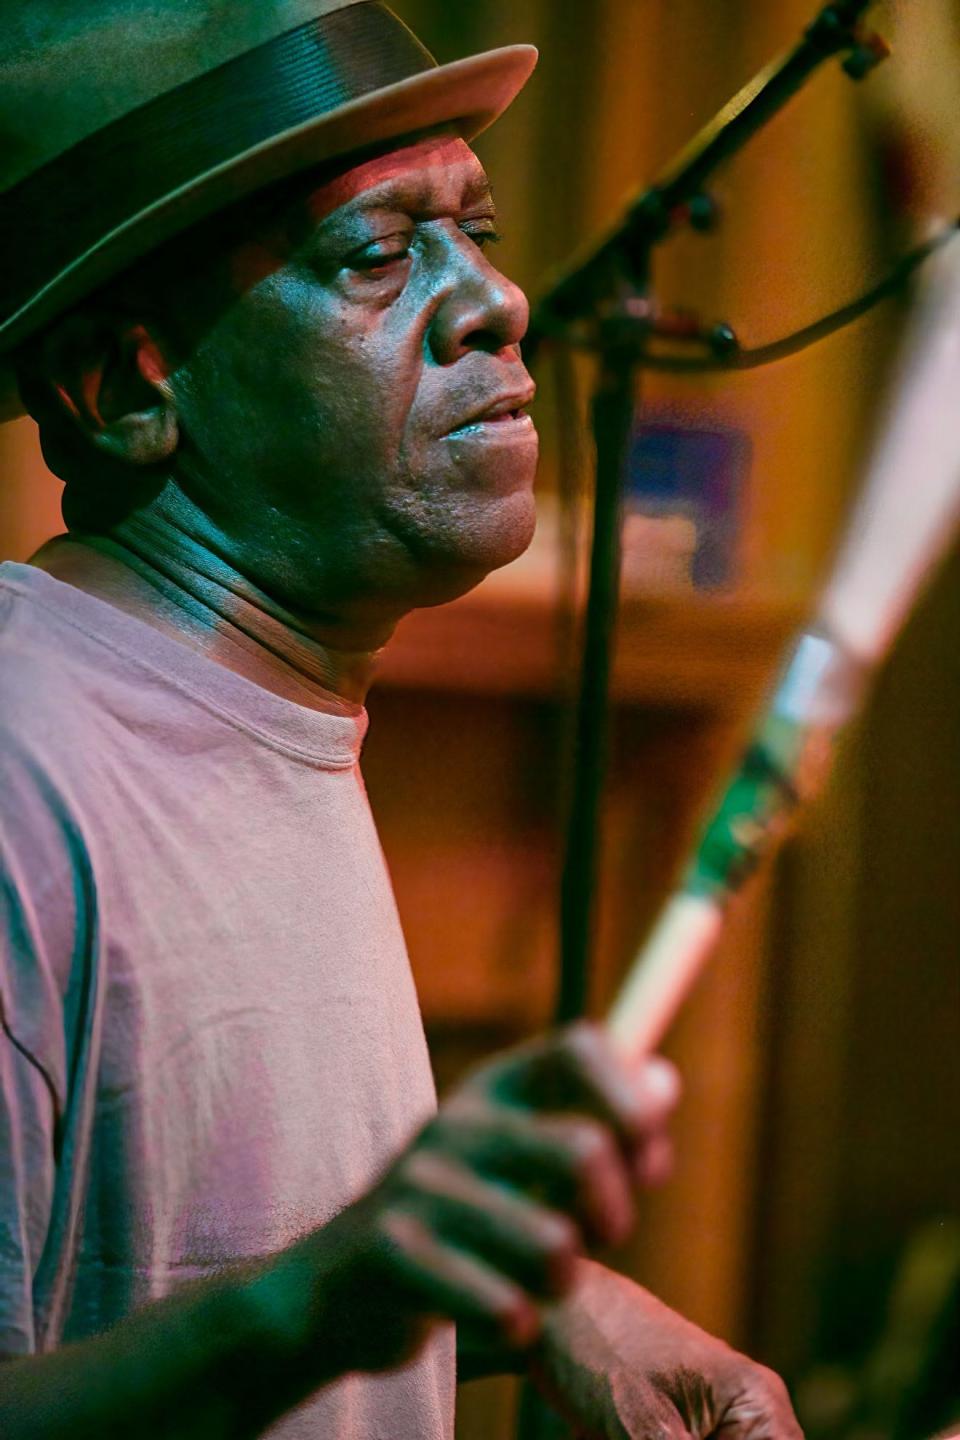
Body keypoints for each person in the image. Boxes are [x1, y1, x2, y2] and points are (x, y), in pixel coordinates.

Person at [0, 3, 803, 1437]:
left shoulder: (279, 704)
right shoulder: (23, 757)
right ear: (126, 387)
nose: (498, 302)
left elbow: (187, 1259)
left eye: (476, 234)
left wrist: (550, 1305)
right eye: (378, 254)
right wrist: (318, 1304)